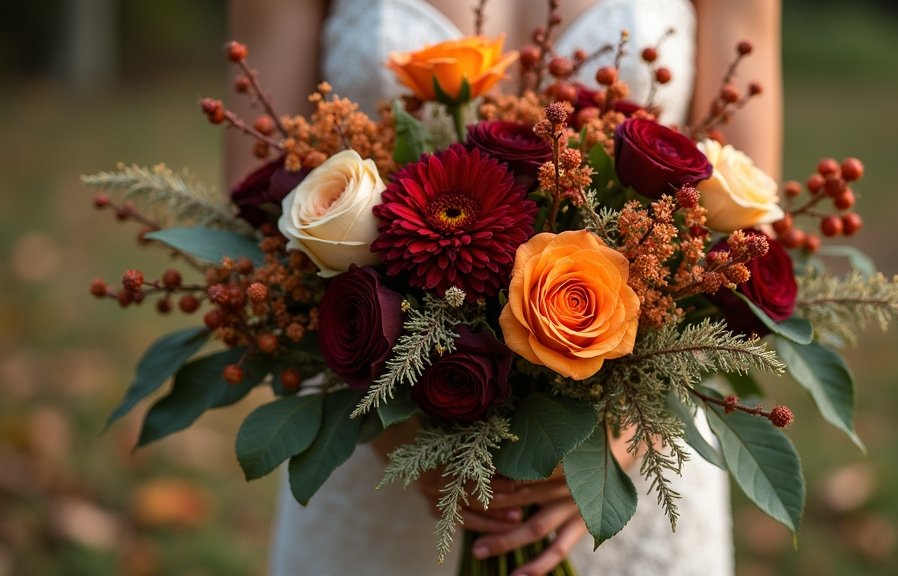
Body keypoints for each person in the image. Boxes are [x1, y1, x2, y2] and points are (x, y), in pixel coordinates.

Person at [228, 1, 781, 574]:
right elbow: (259, 217)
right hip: (376, 450)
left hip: (632, 455)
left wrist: (615, 441)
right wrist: (400, 439)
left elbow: (745, 235)